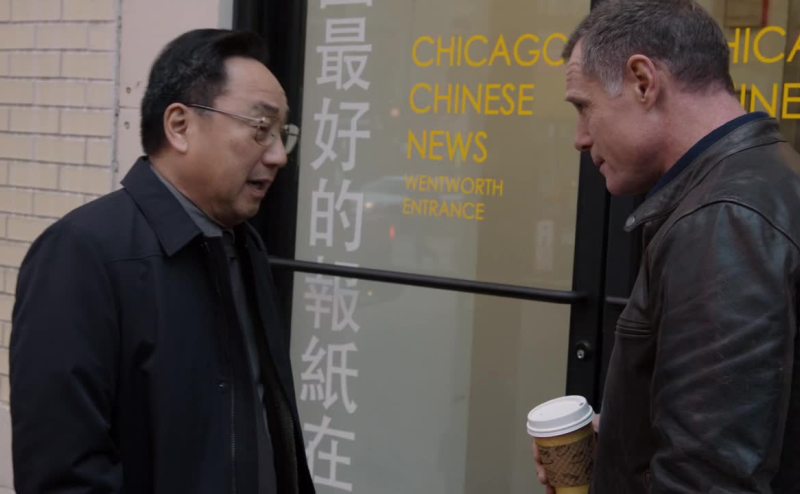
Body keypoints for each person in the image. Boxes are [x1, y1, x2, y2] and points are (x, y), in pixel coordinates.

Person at [10, 29, 315, 494]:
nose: (277, 155)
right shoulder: (82, 253)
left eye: (282, 134)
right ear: (179, 126)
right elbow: (63, 471)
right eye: (260, 128)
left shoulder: (243, 244)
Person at [535, 0, 800, 492]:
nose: (580, 138)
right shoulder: (763, 179)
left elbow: (708, 477)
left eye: (584, 107)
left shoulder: (723, 219)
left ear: (643, 81)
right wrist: (622, 445)